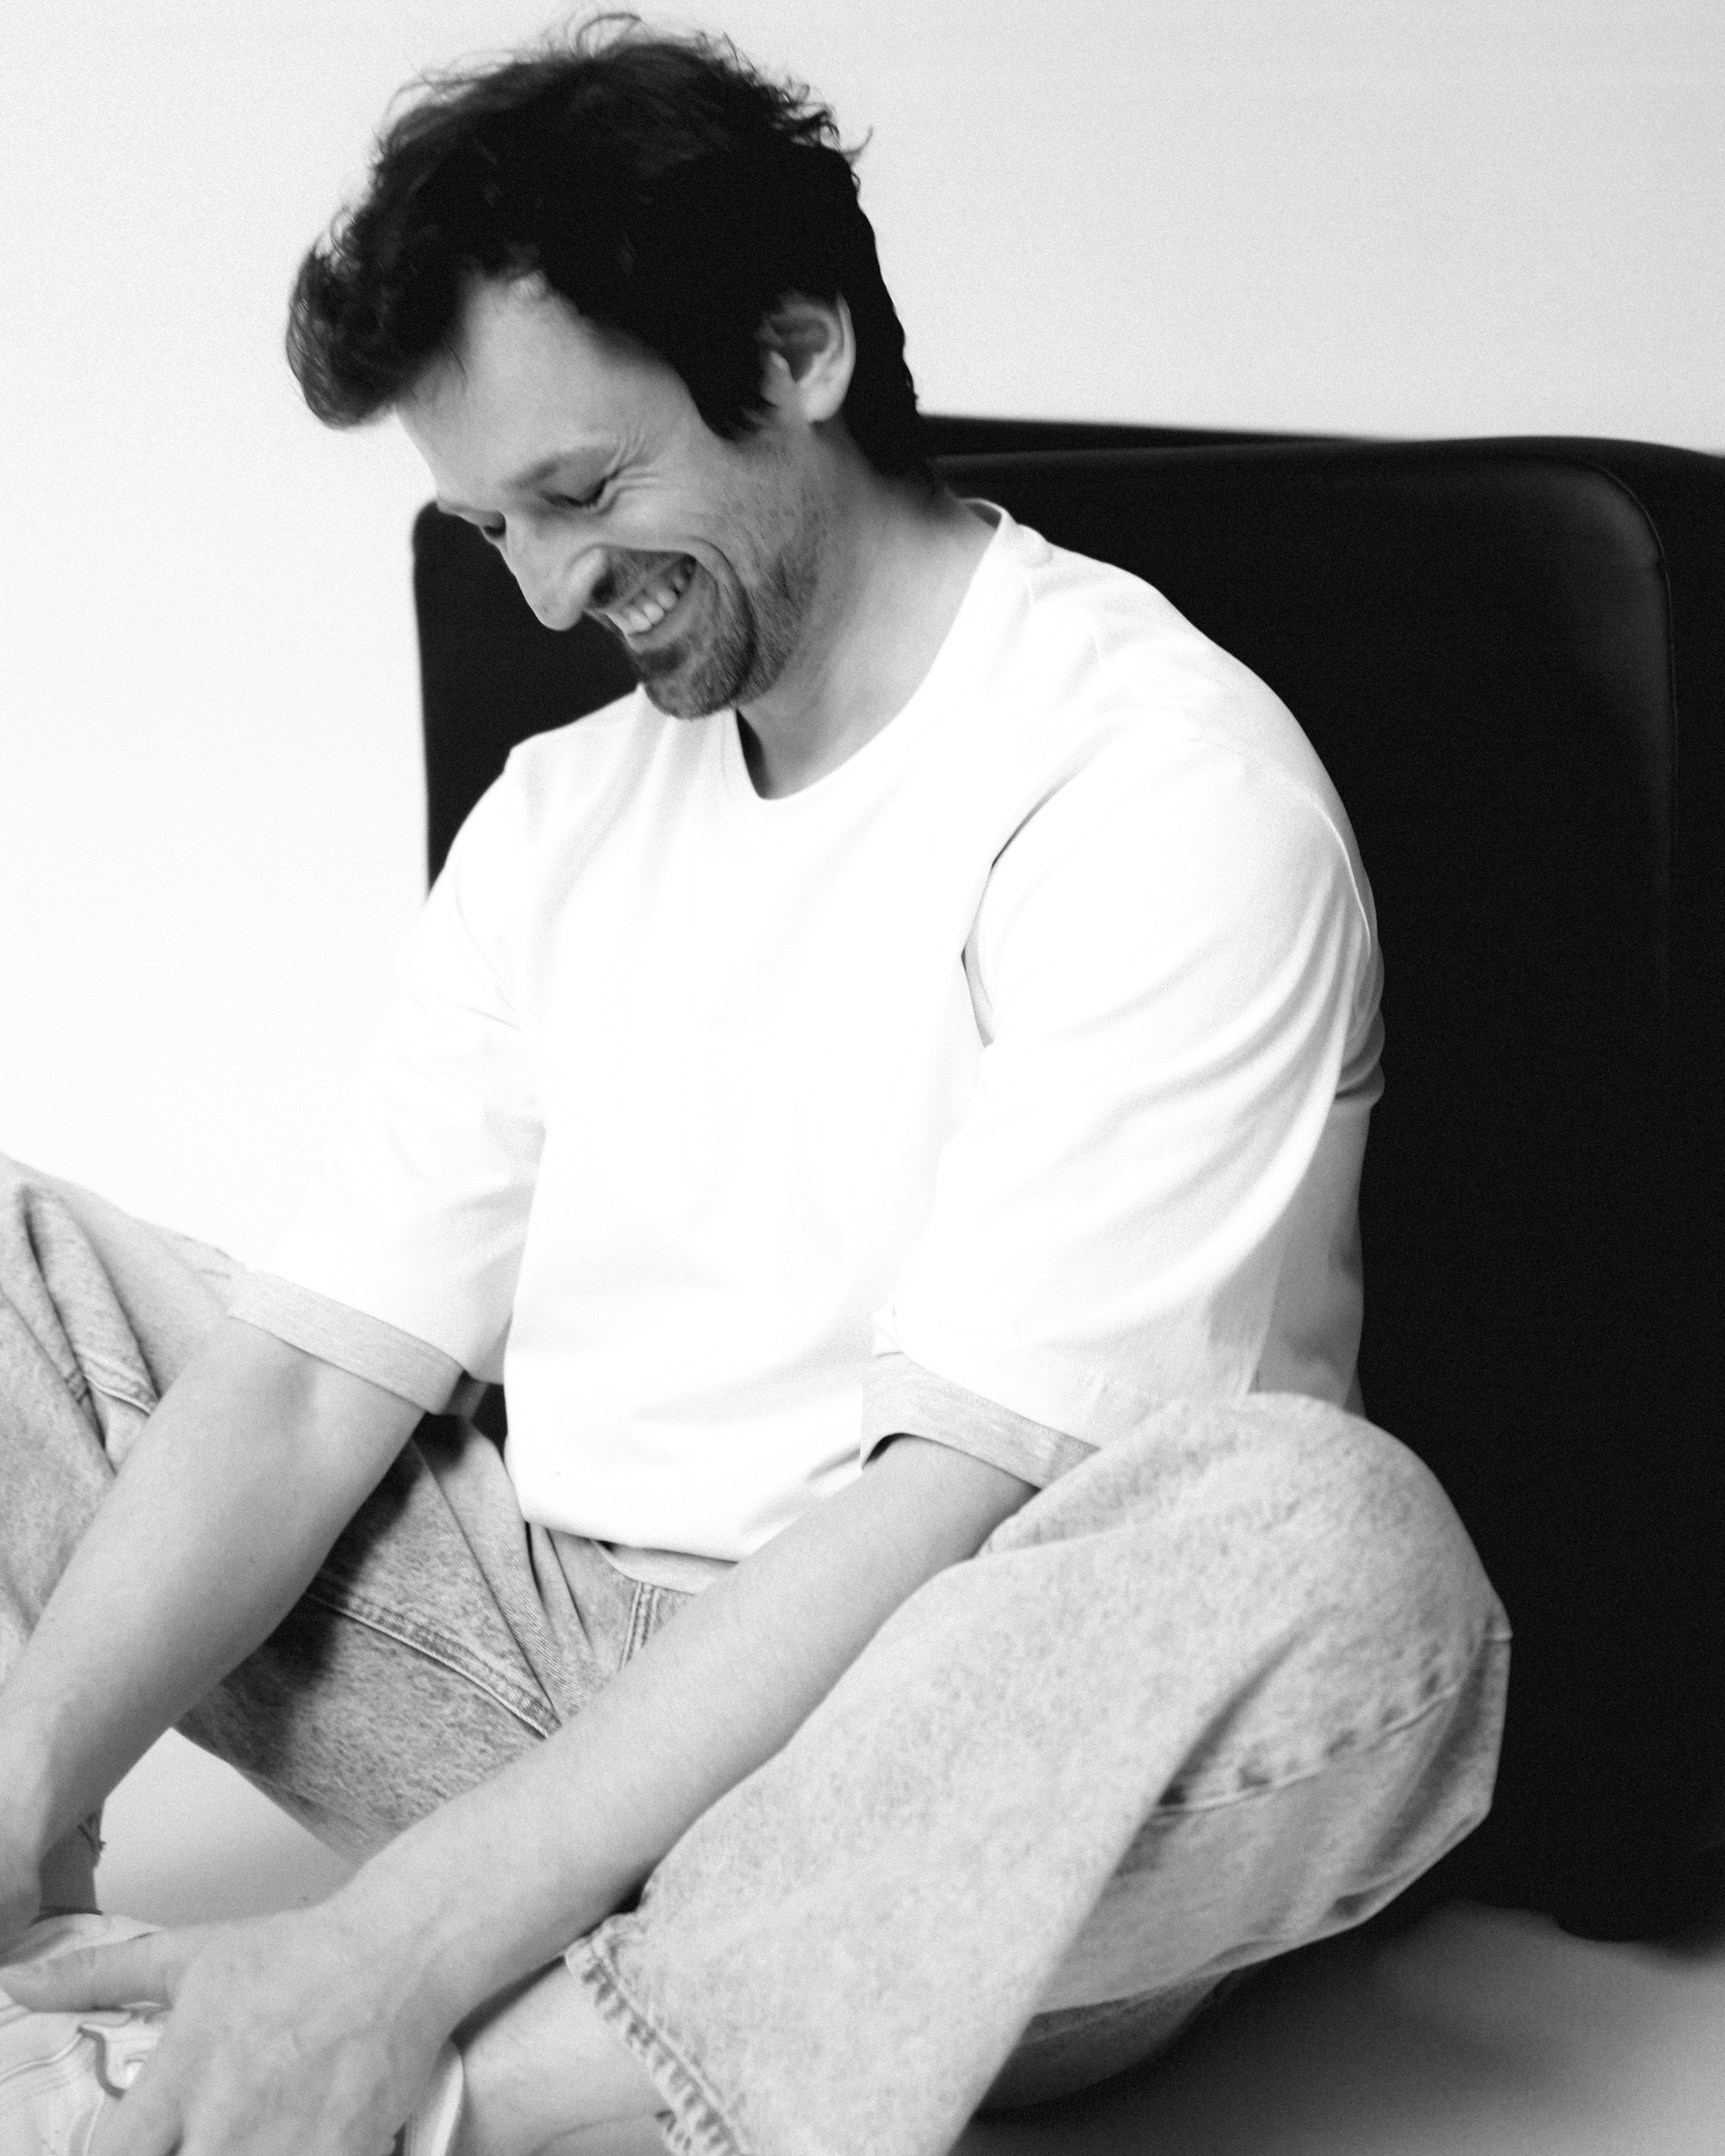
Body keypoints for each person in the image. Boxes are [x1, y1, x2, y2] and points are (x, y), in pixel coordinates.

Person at [0, 19, 1509, 2156]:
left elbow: (940, 1513)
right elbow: (314, 1383)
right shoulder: (559, 813)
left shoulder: (1157, 789)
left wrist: (386, 1955)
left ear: (800, 353)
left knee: (1345, 1553)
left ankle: (397, 2094)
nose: (545, 589)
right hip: (530, 1678)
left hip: (956, 1791)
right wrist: (30, 1788)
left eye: (583, 492)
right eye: (487, 523)